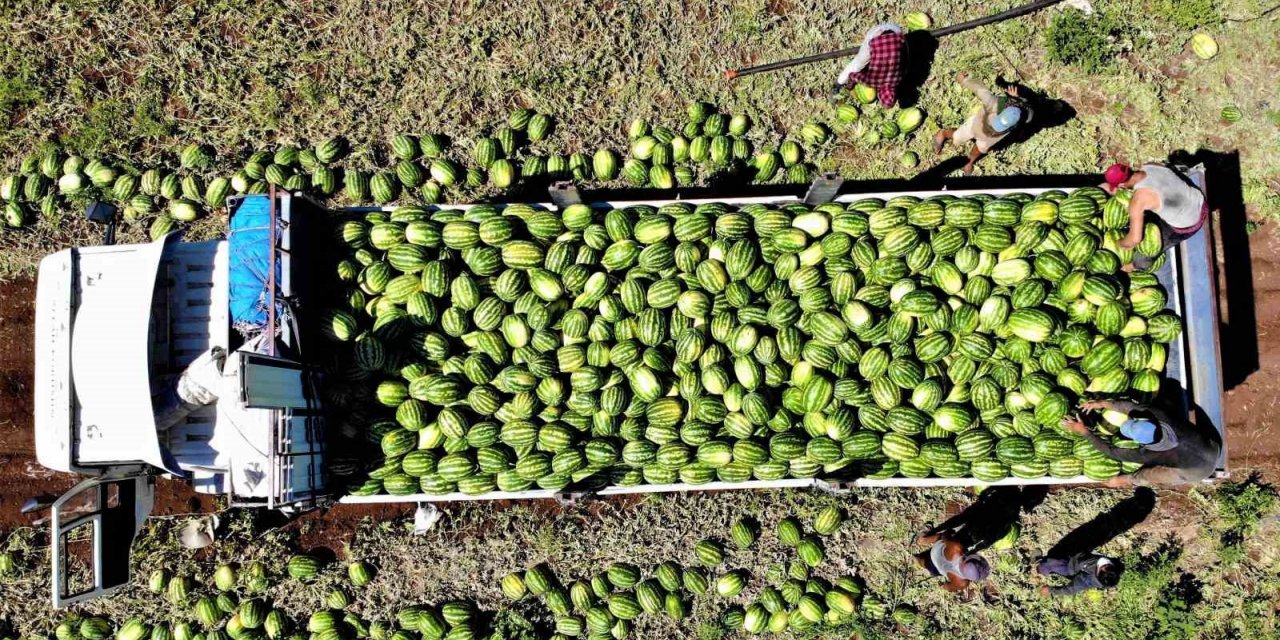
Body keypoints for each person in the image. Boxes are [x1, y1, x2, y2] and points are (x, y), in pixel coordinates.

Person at [1062, 399, 1222, 487]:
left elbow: (1110, 451)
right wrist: (1103, 403)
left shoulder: (1149, 455)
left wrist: (1084, 432)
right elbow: (1131, 407)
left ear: (1140, 443)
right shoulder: (1161, 416)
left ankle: (1124, 481)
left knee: (1149, 474)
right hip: (1212, 446)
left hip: (1196, 471)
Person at [1100, 162, 1209, 270]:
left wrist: (1119, 243)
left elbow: (1135, 239)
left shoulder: (1138, 201)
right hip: (1199, 199)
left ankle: (1133, 266)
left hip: (1191, 222)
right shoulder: (1151, 165)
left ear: (1122, 186)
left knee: (1144, 253)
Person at [933, 73, 1032, 175]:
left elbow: (1028, 108)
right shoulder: (993, 102)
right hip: (975, 125)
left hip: (992, 138)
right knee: (958, 136)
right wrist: (964, 80)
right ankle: (943, 133)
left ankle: (969, 161)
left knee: (981, 148)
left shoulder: (1024, 116)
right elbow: (979, 89)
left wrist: (1018, 98)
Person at [835, 23, 906, 108]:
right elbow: (852, 75)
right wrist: (845, 85)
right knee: (858, 63)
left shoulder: (900, 77)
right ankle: (839, 82)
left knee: (904, 53)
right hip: (875, 34)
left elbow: (906, 60)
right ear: (879, 95)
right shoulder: (872, 81)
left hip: (896, 30)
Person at [913, 528, 991, 592]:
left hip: (936, 551)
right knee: (922, 562)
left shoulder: (957, 548)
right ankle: (915, 559)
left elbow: (945, 537)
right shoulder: (962, 583)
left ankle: (922, 541)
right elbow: (949, 587)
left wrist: (947, 533)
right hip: (936, 569)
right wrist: (943, 585)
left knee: (940, 537)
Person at [1034, 551, 1123, 597]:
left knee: (1055, 565)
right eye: (1108, 566)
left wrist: (1050, 590)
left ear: (1097, 574)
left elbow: (1071, 589)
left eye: (1102, 567)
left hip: (1071, 566)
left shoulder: (1087, 580)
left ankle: (1038, 568)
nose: (1104, 563)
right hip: (1080, 556)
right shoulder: (1115, 568)